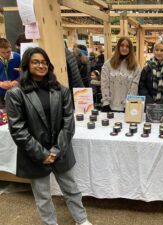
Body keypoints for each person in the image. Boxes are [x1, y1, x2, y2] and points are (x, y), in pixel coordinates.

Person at [5, 47, 92, 225]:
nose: (41, 65)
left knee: (71, 189)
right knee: (43, 196)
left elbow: (69, 122)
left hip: (60, 149)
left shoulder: (61, 90)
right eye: (36, 62)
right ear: (27, 65)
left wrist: (56, 150)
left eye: (44, 62)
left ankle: (82, 220)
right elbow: (18, 129)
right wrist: (42, 154)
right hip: (34, 153)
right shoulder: (15, 94)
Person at [101, 36, 140, 112]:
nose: (124, 48)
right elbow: (104, 84)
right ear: (118, 47)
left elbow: (134, 87)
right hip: (110, 107)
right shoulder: (108, 64)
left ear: (130, 49)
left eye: (127, 46)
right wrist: (106, 103)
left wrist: (128, 104)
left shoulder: (136, 67)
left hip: (127, 108)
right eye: (122, 45)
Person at [138, 41, 163, 105]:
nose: (159, 53)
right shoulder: (147, 67)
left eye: (162, 50)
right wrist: (150, 102)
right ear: (153, 51)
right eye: (156, 50)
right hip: (149, 105)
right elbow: (142, 87)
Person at [0, 38, 20, 109]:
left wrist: (17, 81)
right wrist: (1, 84)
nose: (6, 54)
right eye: (3, 52)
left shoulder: (18, 57)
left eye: (8, 51)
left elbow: (24, 73)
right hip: (1, 93)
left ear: (11, 48)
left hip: (16, 91)